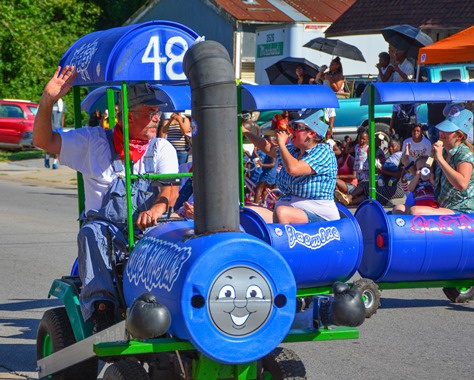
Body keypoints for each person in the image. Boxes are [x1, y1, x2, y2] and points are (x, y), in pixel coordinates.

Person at [33, 65, 179, 332]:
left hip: (147, 229)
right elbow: (43, 141)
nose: (157, 118)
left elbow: (170, 189)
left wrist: (158, 208)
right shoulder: (93, 142)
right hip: (108, 231)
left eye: (157, 112)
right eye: (150, 112)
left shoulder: (161, 147)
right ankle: (102, 309)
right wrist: (48, 100)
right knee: (91, 231)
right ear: (126, 117)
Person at [242, 110, 339, 224]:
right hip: (286, 210)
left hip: (318, 214)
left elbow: (294, 169)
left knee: (282, 212)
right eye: (291, 126)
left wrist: (282, 144)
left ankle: (280, 241)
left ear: (311, 133)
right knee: (248, 213)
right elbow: (269, 148)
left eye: (296, 127)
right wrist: (245, 132)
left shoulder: (324, 151)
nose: (291, 130)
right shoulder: (293, 150)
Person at [393, 109, 474, 215]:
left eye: (447, 130)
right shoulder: (443, 151)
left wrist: (440, 159)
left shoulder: (464, 154)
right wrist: (407, 163)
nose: (441, 133)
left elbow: (462, 184)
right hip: (441, 205)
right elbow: (424, 172)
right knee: (398, 208)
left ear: (459, 136)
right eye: (442, 129)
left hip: (460, 209)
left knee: (415, 211)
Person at [348, 138, 405, 206]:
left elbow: (399, 175)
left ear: (399, 147)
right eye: (389, 146)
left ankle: (350, 202)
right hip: (385, 184)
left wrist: (383, 171)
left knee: (373, 192)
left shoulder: (402, 158)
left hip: (395, 188)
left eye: (392, 146)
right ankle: (349, 197)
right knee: (364, 184)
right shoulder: (390, 158)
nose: (390, 148)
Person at [390, 48, 416, 142]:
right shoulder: (399, 65)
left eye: (397, 53)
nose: (395, 55)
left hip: (406, 97)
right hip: (398, 96)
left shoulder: (408, 66)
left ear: (403, 54)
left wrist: (398, 70)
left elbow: (409, 79)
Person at [44, 98, 66, 169]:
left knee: (57, 146)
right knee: (48, 144)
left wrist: (62, 126)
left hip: (58, 128)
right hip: (50, 128)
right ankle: (47, 159)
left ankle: (54, 163)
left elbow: (62, 116)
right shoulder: (50, 104)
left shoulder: (62, 104)